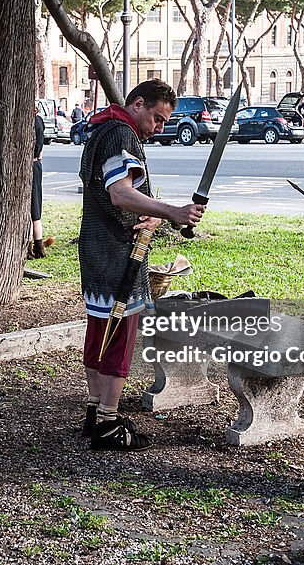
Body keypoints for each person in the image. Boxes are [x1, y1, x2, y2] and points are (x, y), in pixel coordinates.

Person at [78, 79, 205, 451]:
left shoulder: (102, 129)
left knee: (100, 331)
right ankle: (107, 423)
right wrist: (172, 211)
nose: (159, 128)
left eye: (165, 122)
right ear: (137, 104)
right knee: (119, 335)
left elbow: (115, 193)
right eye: (157, 118)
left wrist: (151, 215)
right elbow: (120, 193)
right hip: (118, 254)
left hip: (98, 249)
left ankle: (95, 409)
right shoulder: (120, 134)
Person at [27, 105, 48, 259]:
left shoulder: (26, 122)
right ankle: (39, 246)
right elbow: (40, 151)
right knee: (36, 207)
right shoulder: (39, 121)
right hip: (36, 164)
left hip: (27, 165)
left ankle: (30, 247)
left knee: (28, 209)